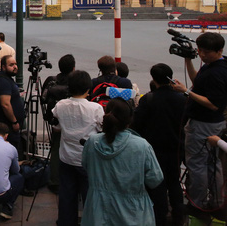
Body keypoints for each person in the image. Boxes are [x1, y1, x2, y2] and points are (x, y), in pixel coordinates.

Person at [81, 99, 164, 226]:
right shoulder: (142, 146)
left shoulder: (92, 142)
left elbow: (86, 165)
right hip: (133, 213)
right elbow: (155, 179)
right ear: (129, 120)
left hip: (96, 211)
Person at [171, 31, 227, 210]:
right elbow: (198, 81)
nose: (202, 55)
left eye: (206, 52)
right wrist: (188, 60)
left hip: (204, 124)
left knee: (197, 165)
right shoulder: (214, 65)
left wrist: (185, 91)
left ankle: (198, 204)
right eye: (199, 51)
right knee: (212, 163)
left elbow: (213, 104)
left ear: (219, 50)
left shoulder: (216, 73)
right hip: (213, 123)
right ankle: (216, 201)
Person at [131, 63, 186, 226]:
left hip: (153, 149)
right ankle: (178, 217)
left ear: (153, 79)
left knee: (156, 185)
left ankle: (159, 218)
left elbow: (137, 125)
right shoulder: (182, 99)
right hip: (176, 148)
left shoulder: (148, 99)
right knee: (174, 182)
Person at [52, 70, 104, 226]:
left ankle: (65, 222)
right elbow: (102, 130)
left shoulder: (60, 105)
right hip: (87, 160)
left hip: (66, 157)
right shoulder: (95, 109)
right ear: (89, 89)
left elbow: (57, 125)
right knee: (89, 196)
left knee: (67, 195)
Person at [41, 53, 74, 193]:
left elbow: (43, 98)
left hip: (55, 121)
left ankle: (54, 180)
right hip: (72, 122)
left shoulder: (51, 80)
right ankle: (70, 180)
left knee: (55, 149)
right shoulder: (74, 82)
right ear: (73, 67)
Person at [0, 55, 25, 149]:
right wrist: (14, 122)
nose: (15, 67)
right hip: (7, 127)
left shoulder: (7, 80)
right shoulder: (2, 81)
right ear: (4, 67)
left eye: (16, 64)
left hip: (8, 127)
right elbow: (5, 104)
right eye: (11, 65)